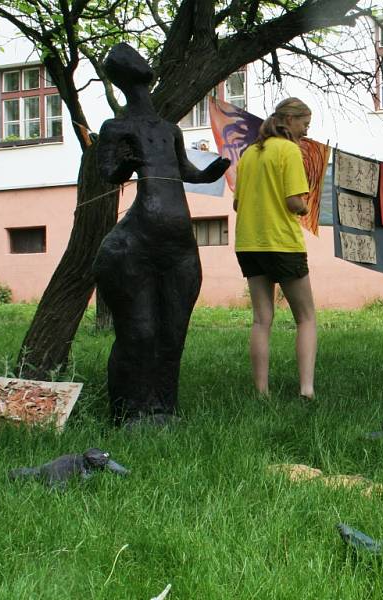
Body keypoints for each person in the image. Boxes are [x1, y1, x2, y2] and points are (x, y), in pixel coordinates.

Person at [94, 43, 230, 425]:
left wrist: (210, 173)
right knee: (138, 332)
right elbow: (109, 174)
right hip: (134, 245)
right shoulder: (116, 128)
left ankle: (163, 408)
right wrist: (125, 164)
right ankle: (127, 412)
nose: (138, 60)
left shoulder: (169, 130)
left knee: (172, 334)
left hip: (178, 245)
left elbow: (185, 169)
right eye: (128, 58)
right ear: (122, 75)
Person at [233, 97, 316, 399]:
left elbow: (237, 203)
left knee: (261, 319)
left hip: (249, 243)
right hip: (282, 242)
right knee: (306, 318)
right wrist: (306, 208)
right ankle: (306, 389)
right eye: (305, 124)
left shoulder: (248, 155)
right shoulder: (289, 150)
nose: (306, 131)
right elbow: (294, 202)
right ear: (289, 121)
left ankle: (261, 392)